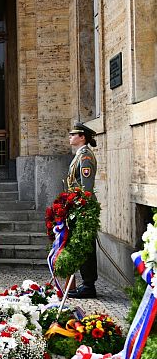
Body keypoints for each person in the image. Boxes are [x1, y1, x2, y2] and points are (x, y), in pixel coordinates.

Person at [66, 122, 98, 299]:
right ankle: (87, 284)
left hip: (83, 208)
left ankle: (88, 286)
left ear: (82, 137)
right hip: (77, 207)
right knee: (83, 246)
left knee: (86, 247)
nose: (70, 137)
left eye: (73, 134)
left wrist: (81, 208)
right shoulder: (79, 155)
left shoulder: (85, 157)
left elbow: (86, 188)